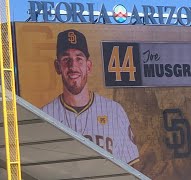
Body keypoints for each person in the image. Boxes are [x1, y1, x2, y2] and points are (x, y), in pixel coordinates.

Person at [42, 29, 139, 165]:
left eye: (79, 59)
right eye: (66, 59)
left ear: (89, 66)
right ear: (57, 67)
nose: (73, 66)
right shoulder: (45, 115)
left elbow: (132, 166)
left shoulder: (114, 111)